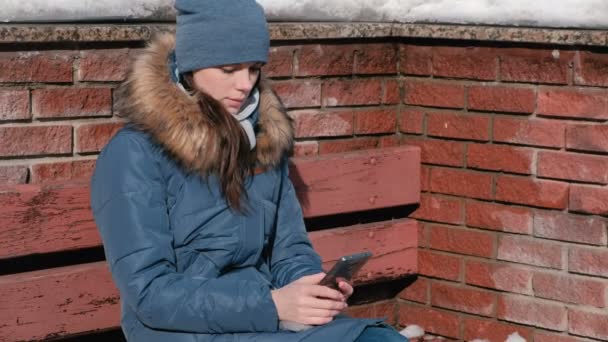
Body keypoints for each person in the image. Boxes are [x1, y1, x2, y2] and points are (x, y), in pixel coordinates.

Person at [90, 0, 409, 341]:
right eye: (229, 69)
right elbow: (150, 294)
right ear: (192, 66)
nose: (244, 84)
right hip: (182, 331)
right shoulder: (134, 153)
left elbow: (289, 250)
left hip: (264, 320)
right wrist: (272, 306)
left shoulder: (263, 141)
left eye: (254, 69)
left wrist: (310, 289)